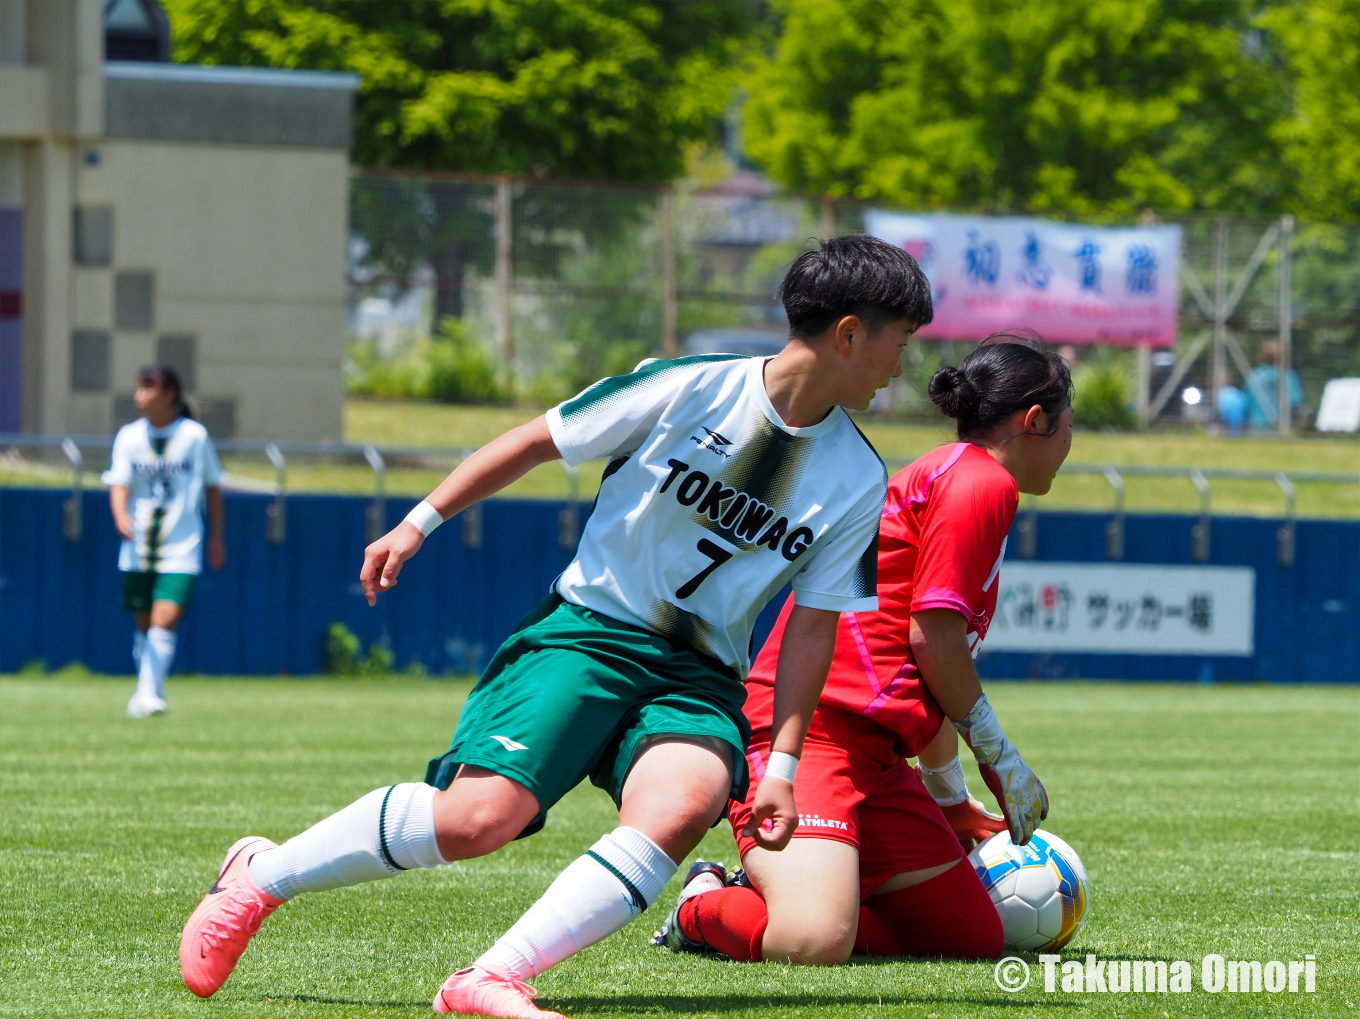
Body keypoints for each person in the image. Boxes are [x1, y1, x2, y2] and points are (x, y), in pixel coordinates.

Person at [177, 235, 934, 1018]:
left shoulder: (858, 476)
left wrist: (782, 763)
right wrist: (417, 522)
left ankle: (490, 978)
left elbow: (812, 625)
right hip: (588, 633)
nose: (900, 367)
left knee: (685, 803)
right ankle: (259, 877)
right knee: (478, 819)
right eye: (901, 343)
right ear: (849, 334)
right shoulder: (687, 386)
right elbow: (536, 441)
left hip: (698, 677)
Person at [654, 336, 1073, 966]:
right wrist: (1000, 757)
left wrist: (949, 797)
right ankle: (705, 902)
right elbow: (934, 638)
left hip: (875, 758)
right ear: (1035, 420)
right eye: (1069, 425)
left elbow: (924, 672)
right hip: (812, 738)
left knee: (968, 940)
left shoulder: (963, 475)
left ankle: (815, 886)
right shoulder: (981, 482)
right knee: (812, 941)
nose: (1070, 442)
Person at [102, 365, 224, 718]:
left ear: (169, 393)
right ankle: (148, 692)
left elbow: (213, 488)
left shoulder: (194, 436)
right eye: (138, 388)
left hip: (182, 545)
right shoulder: (129, 436)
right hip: (138, 546)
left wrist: (217, 538)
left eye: (147, 388)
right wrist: (120, 515)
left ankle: (148, 695)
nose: (139, 395)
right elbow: (118, 483)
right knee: (145, 627)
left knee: (165, 619)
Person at [1244, 341, 1303, 430]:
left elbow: (1245, 402)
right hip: (1279, 427)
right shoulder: (1287, 375)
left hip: (1255, 426)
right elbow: (1295, 402)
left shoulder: (1253, 376)